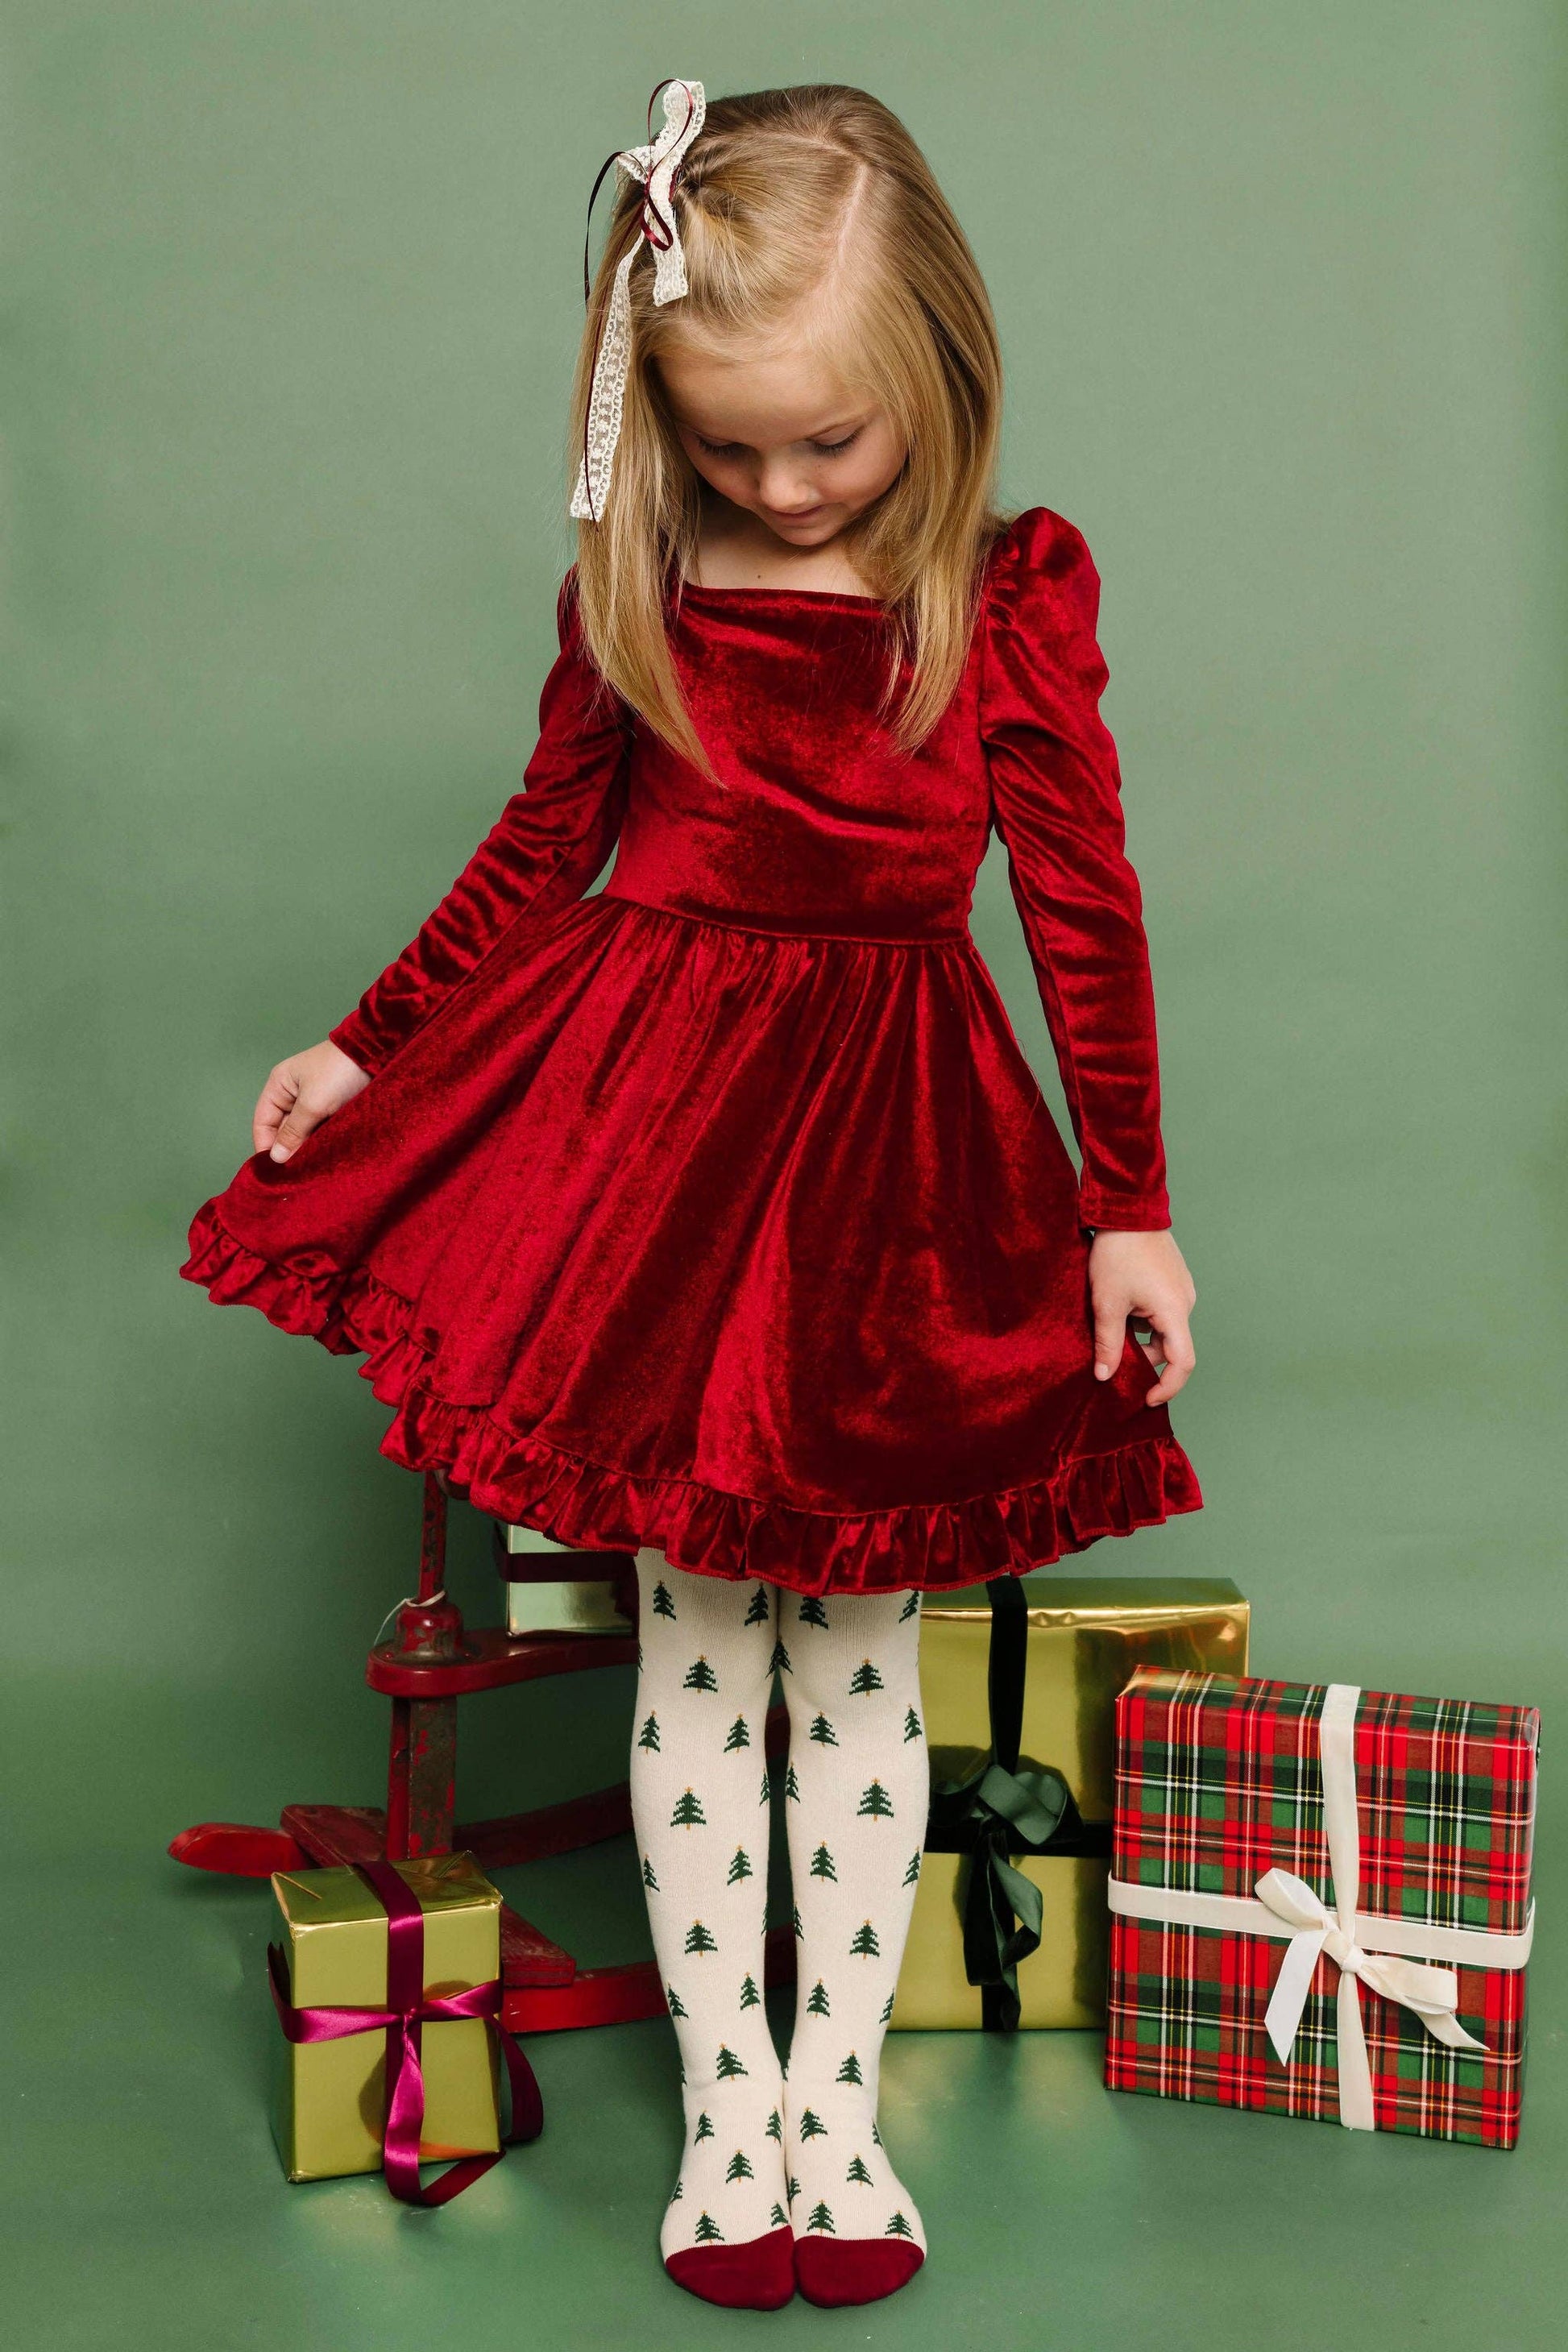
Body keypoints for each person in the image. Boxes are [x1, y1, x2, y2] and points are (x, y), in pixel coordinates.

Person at [182, 78, 1201, 2313]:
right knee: (690, 1640)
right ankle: (727, 2097)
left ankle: (833, 2097)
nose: (775, 486)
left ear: (934, 369)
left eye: (821, 444)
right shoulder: (639, 579)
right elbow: (539, 844)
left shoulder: (1004, 599)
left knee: (848, 1653)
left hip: (895, 1173)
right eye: (725, 445)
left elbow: (1085, 911)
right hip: (660, 1159)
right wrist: (362, 1044)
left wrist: (1124, 1201)